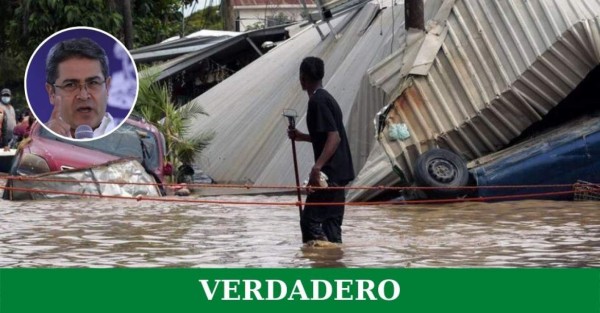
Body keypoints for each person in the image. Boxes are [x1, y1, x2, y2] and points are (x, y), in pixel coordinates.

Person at [287, 56, 355, 245]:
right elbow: (326, 136)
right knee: (331, 226)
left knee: (310, 222)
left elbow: (334, 137)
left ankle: (320, 261)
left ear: (302, 78)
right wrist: (302, 136)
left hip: (329, 175)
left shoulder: (317, 101)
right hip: (339, 174)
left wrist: (317, 168)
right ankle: (333, 262)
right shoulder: (327, 98)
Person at [44, 37, 118, 139]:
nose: (83, 96)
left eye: (93, 83)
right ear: (52, 93)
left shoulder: (129, 141)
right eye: (70, 85)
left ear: (107, 87)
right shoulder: (40, 141)